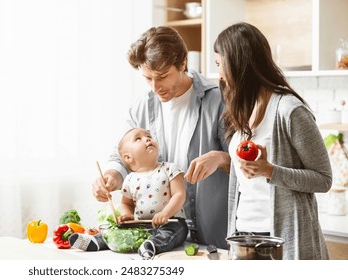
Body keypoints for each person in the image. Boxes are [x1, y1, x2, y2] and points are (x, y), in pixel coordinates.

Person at [91, 26, 230, 249]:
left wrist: (220, 158)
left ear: (183, 63)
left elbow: (244, 165)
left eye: (162, 77)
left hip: (211, 230)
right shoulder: (141, 106)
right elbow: (123, 156)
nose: (155, 87)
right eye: (148, 79)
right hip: (157, 230)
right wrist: (112, 176)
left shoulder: (217, 100)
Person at [213, 22, 332, 259]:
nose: (220, 75)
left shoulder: (289, 110)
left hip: (283, 240)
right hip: (244, 236)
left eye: (220, 65)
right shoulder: (244, 109)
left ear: (239, 63)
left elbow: (323, 180)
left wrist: (270, 171)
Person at [69, 128, 188, 259]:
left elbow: (179, 195)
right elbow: (126, 203)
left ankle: (152, 246)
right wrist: (127, 215)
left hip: (171, 221)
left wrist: (165, 214)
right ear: (128, 157)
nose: (147, 139)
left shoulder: (170, 168)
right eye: (138, 139)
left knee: (170, 233)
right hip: (142, 224)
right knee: (118, 231)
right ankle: (96, 241)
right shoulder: (130, 179)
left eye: (148, 136)